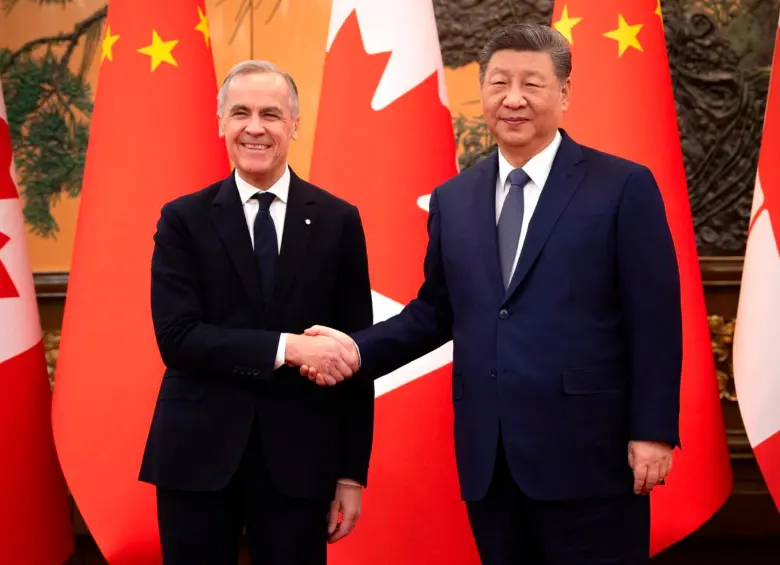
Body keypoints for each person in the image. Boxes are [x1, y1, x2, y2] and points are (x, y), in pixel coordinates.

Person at [302, 23, 682, 565]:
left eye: (532, 83)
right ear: (482, 91)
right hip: (491, 459)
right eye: (499, 82)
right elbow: (436, 312)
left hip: (590, 455)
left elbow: (655, 318)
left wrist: (653, 431)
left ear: (564, 93)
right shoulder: (454, 198)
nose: (513, 98)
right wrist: (355, 350)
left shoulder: (622, 186)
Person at [138, 60, 372, 565]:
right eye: (240, 113)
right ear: (221, 123)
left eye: (271, 114)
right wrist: (289, 348)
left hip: (300, 460)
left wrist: (351, 474)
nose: (255, 128)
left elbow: (355, 353)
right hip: (196, 457)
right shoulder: (182, 219)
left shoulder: (338, 220)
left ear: (294, 124)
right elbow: (178, 337)